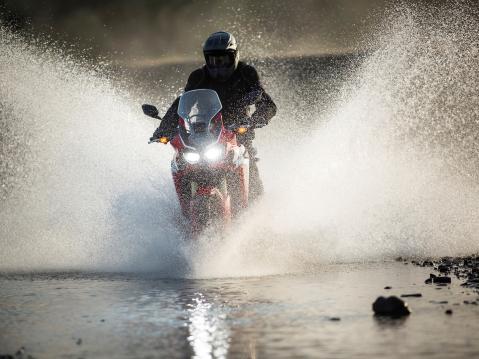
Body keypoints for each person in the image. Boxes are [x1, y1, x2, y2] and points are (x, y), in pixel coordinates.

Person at [151, 31, 277, 200]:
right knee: (181, 163)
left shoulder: (246, 74)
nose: (218, 66)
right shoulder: (199, 77)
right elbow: (181, 104)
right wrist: (164, 129)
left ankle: (256, 215)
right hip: (204, 134)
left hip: (238, 134)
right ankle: (182, 214)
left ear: (234, 56)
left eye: (223, 60)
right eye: (213, 60)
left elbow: (268, 104)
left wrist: (255, 120)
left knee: (252, 179)